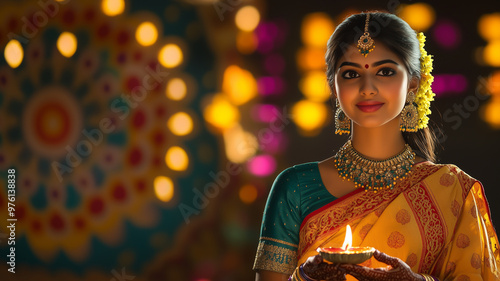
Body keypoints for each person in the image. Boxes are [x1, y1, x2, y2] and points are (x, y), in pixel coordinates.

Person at [253, 11, 500, 281]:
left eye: (385, 71)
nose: (367, 87)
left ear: (413, 85)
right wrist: (303, 278)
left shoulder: (452, 189)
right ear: (334, 88)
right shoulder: (294, 187)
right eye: (350, 74)